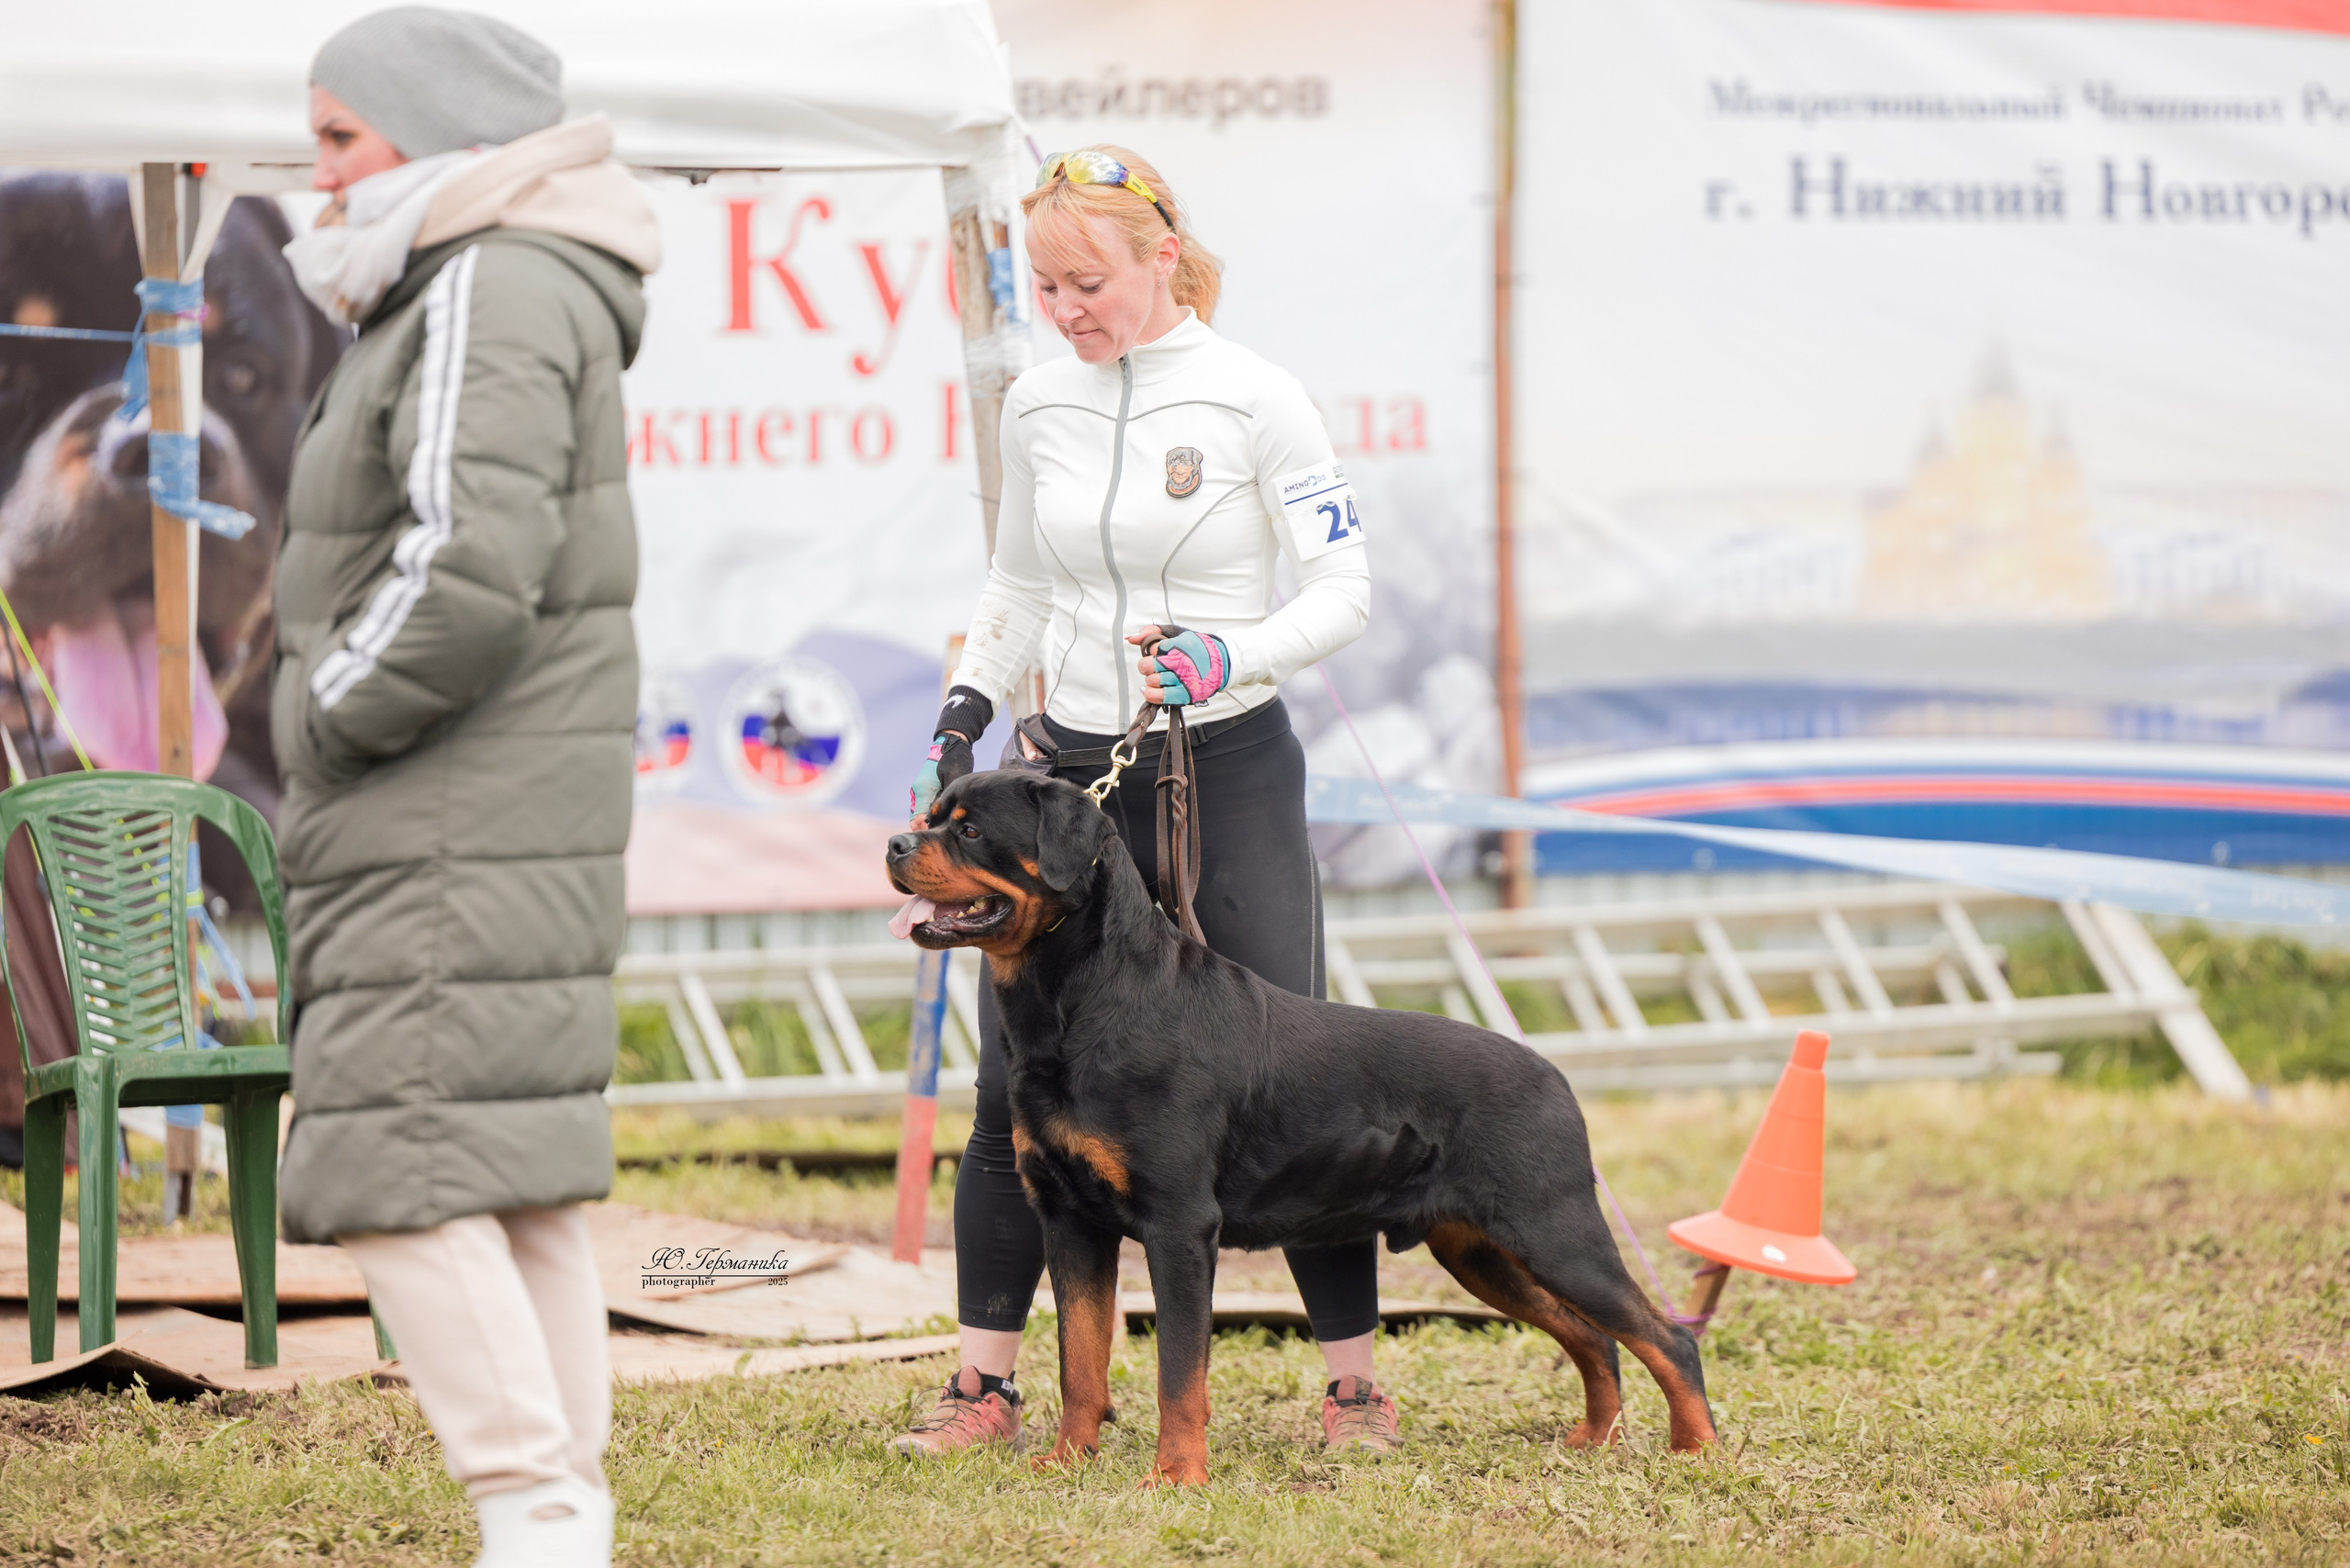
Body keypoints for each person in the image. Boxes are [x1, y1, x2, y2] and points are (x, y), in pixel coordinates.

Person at [893, 145, 1398, 1460]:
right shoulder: (1038, 406)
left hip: (1223, 766)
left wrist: (1233, 654)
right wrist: (965, 707)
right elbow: (1015, 590)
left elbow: (1346, 594)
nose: (1067, 309)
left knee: (1299, 1082)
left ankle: (1354, 1389)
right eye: (1047, 286)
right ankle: (986, 1389)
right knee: (1019, 1090)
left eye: (1089, 281)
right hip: (1071, 785)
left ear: (1162, 256)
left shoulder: (1258, 397)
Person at [270, 9, 658, 1565]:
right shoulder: (491, 269)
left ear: (438, 140)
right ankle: (563, 1516)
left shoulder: (492, 273)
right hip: (478, 799)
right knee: (504, 1173)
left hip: (444, 793)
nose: (318, 174)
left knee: (394, 1159)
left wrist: (322, 717)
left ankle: (536, 1510)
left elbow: (465, 568)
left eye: (341, 138)